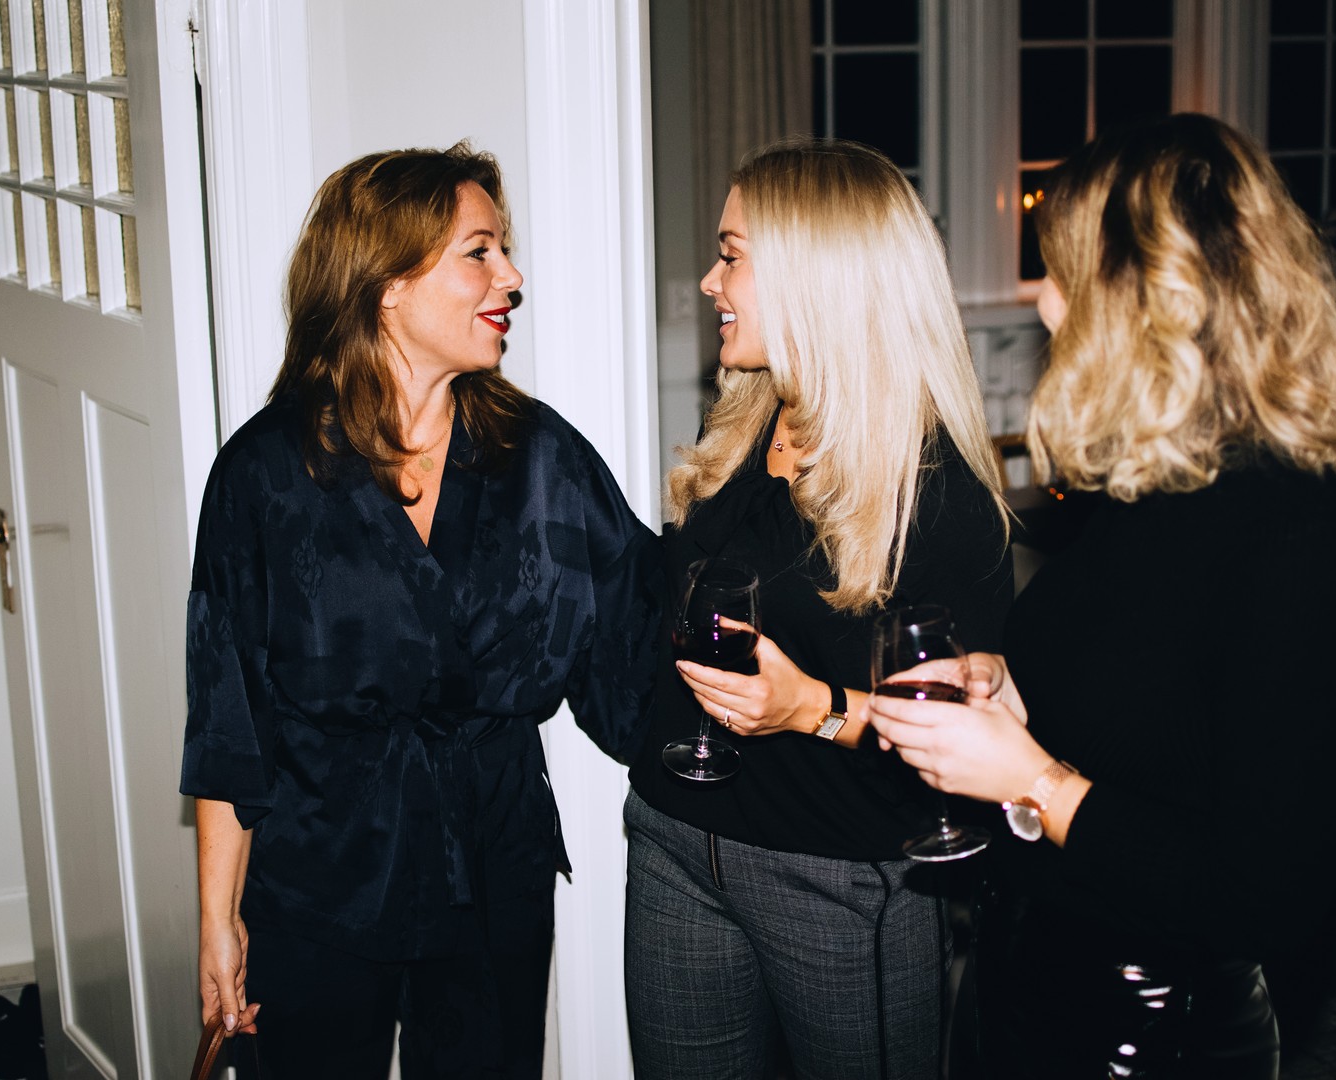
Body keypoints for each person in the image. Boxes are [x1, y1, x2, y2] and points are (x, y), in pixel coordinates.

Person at [868, 113, 1336, 1079]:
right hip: (1022, 976)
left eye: (1063, 273)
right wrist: (1014, 694)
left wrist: (1035, 781)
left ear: (1151, 297)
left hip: (1150, 1033)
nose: (1046, 305)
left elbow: (1267, 896)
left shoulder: (1298, 535)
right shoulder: (1152, 482)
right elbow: (1151, 717)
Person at [181, 143, 662, 1079]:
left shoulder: (539, 457)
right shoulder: (264, 475)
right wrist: (218, 917)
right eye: (479, 252)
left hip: (493, 866)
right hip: (320, 876)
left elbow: (642, 630)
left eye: (504, 251)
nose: (511, 278)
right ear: (388, 285)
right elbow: (229, 721)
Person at [623, 138, 1014, 1080]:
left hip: (840, 875)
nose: (710, 282)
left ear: (815, 277)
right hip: (675, 844)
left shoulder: (937, 494)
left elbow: (971, 741)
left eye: (732, 255)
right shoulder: (747, 422)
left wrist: (815, 710)